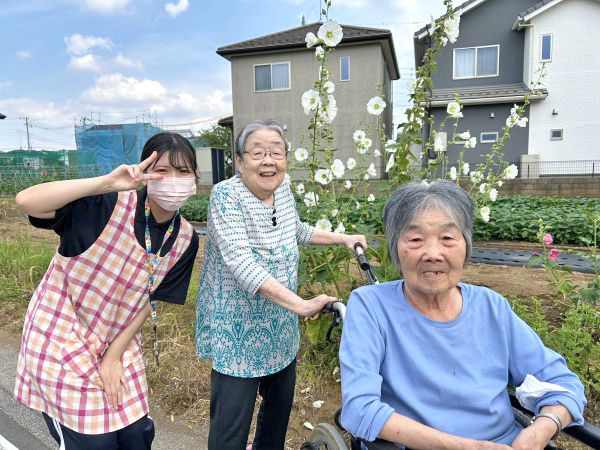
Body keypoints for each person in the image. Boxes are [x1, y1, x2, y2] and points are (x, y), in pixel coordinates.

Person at [340, 181, 586, 450]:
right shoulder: (370, 306)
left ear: (466, 245)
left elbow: (562, 381)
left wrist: (541, 428)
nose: (432, 254)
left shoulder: (491, 306)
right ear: (395, 249)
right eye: (415, 239)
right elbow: (359, 409)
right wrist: (464, 446)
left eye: (447, 238)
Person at [14, 132, 200, 449]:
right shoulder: (105, 204)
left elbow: (150, 301)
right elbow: (26, 201)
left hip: (117, 340)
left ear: (195, 177)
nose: (173, 180)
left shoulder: (185, 238)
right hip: (61, 336)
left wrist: (113, 356)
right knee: (94, 442)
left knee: (137, 435)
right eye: (162, 170)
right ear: (145, 173)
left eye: (183, 172)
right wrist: (106, 183)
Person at [195, 119, 367, 450]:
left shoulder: (282, 189)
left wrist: (343, 239)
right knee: (230, 432)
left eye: (276, 151)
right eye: (257, 152)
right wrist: (302, 305)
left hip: (279, 328)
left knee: (275, 422)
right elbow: (242, 264)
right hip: (238, 334)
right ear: (240, 161)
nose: (268, 160)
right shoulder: (226, 196)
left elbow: (296, 229)